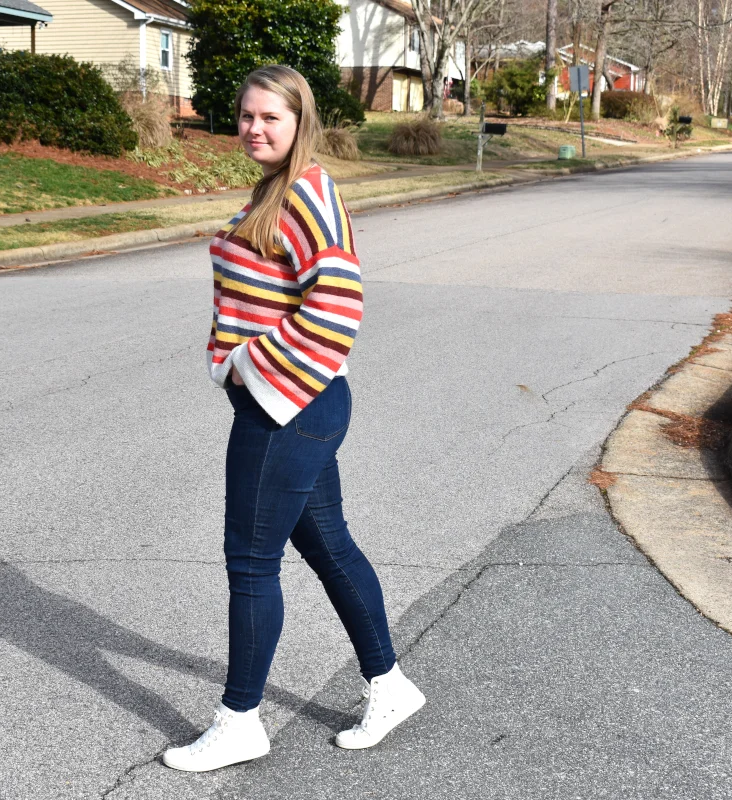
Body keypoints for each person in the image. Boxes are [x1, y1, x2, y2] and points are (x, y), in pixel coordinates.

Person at [162, 65, 425, 773]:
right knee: (330, 547)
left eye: (270, 117)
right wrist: (238, 363)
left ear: (299, 121)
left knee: (251, 562)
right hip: (300, 402)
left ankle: (239, 722)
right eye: (247, 116)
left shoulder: (307, 192)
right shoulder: (276, 189)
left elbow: (337, 311)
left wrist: (249, 366)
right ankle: (390, 687)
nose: (254, 128)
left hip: (289, 406)